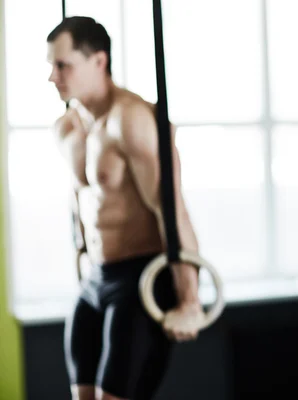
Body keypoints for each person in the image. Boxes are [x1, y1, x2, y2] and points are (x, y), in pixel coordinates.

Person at [47, 16, 205, 400]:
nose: (53, 77)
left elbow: (171, 209)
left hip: (141, 280)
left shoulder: (132, 119)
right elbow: (80, 202)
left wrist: (190, 299)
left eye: (62, 65)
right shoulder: (67, 127)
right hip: (95, 282)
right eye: (51, 66)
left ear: (99, 61)